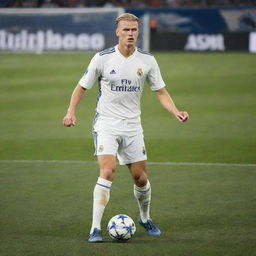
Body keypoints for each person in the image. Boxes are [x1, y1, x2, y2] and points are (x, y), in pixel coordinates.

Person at [63, 13, 189, 243]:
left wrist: (176, 111)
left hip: (133, 126)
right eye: (126, 30)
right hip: (106, 123)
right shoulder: (102, 58)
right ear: (117, 32)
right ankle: (95, 228)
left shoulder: (147, 60)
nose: (130, 34)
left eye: (134, 30)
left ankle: (144, 217)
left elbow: (160, 91)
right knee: (108, 169)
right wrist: (71, 111)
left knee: (140, 178)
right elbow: (81, 87)